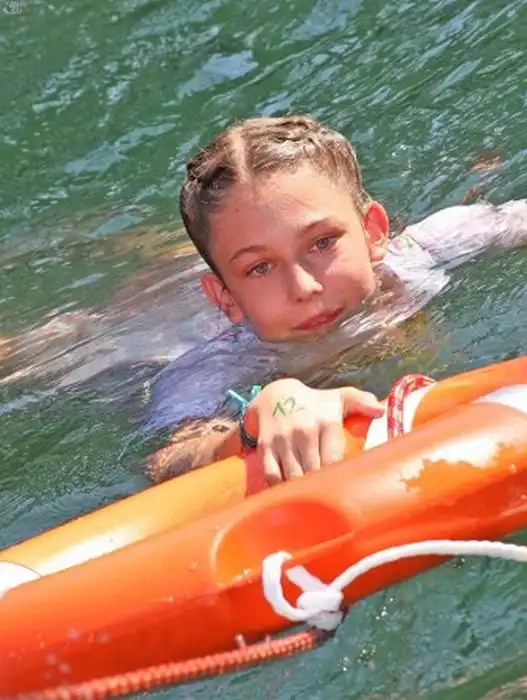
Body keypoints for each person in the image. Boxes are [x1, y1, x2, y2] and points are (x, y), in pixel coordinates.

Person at [145, 114, 527, 484]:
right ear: (227, 298)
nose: (304, 287)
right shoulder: (214, 365)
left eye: (322, 242)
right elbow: (169, 458)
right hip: (152, 324)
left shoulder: (422, 252)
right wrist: (254, 421)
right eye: (260, 268)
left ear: (373, 232)